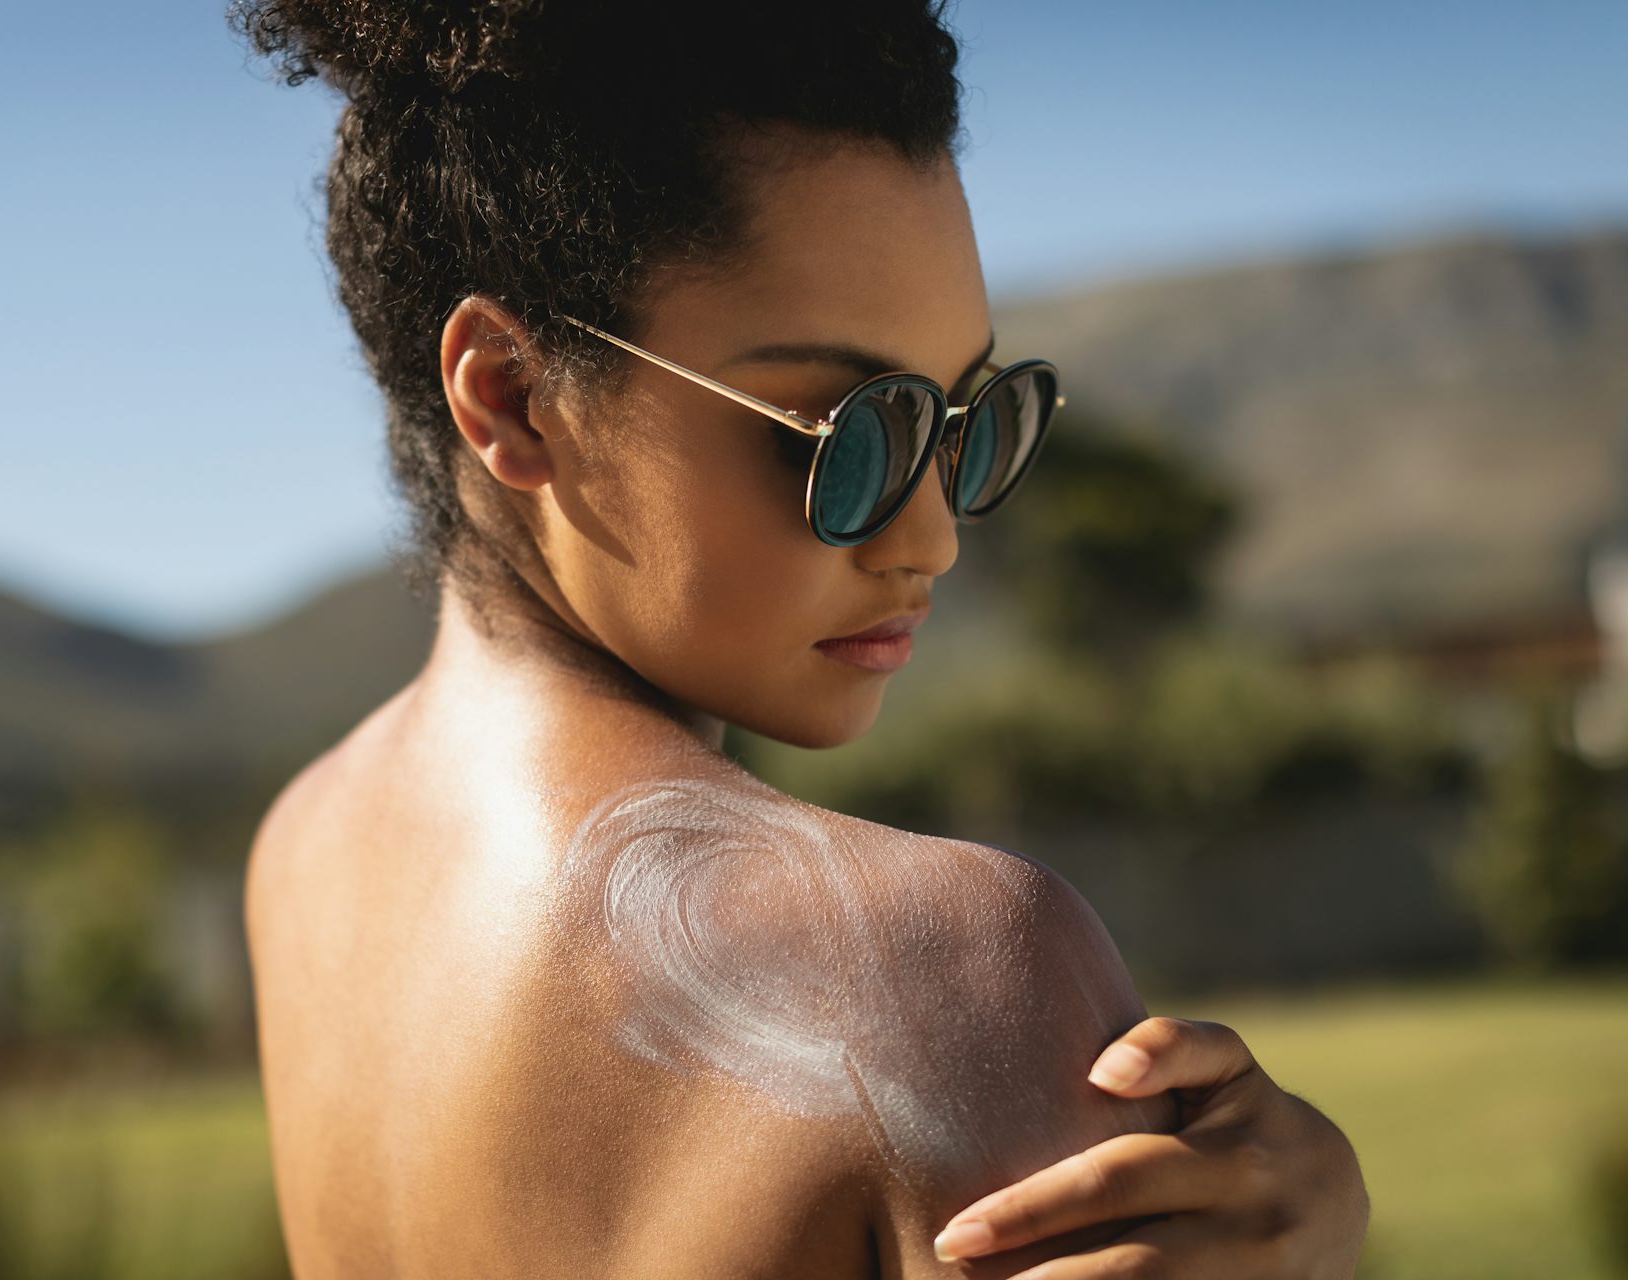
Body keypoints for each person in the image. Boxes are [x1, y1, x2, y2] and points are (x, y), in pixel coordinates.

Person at [228, 1, 1372, 1275]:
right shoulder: (945, 968)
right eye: (848, 432)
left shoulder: (302, 855)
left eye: (961, 422)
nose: (932, 537)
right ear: (514, 395)